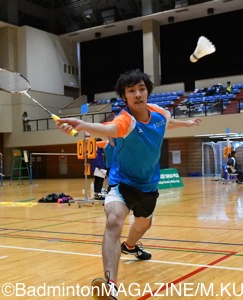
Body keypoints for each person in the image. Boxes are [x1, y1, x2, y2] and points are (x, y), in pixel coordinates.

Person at [56, 69, 201, 299]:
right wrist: (82, 125)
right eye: (131, 91)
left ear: (147, 92)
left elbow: (167, 123)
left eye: (141, 89)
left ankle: (131, 246)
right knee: (114, 220)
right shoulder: (125, 120)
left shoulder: (160, 113)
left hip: (148, 185)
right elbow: (109, 130)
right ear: (124, 97)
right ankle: (111, 285)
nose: (137, 94)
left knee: (143, 225)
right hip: (122, 183)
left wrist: (187, 123)